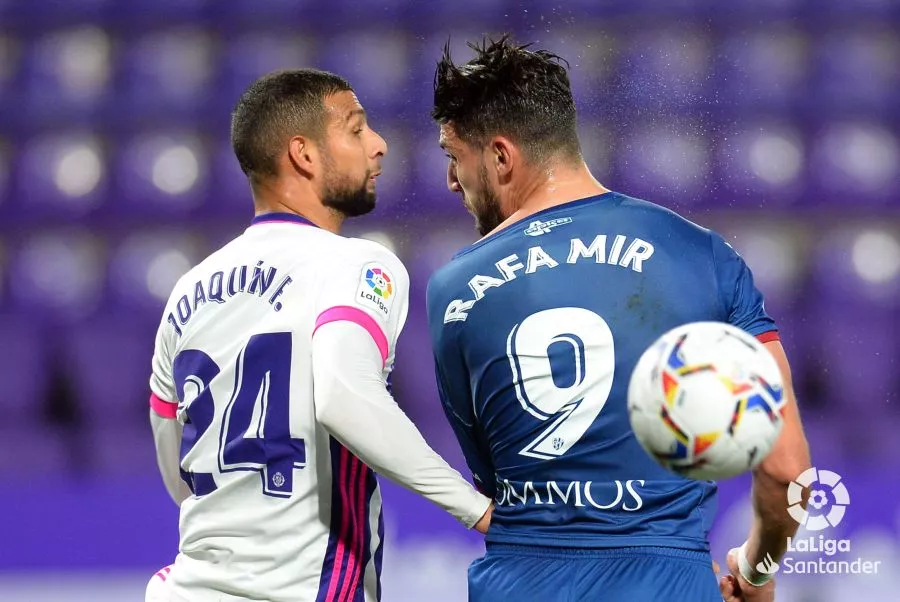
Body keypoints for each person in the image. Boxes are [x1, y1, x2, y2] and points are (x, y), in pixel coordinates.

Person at [425, 36, 811, 602]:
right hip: (669, 587)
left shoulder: (453, 288)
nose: (451, 180)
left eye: (454, 157)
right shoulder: (704, 256)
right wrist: (754, 571)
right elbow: (786, 472)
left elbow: (494, 486)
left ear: (501, 156)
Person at [145, 68, 491, 602]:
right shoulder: (356, 265)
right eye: (356, 129)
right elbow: (344, 398)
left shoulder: (187, 291)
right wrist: (478, 510)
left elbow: (177, 469)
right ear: (303, 154)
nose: (378, 144)